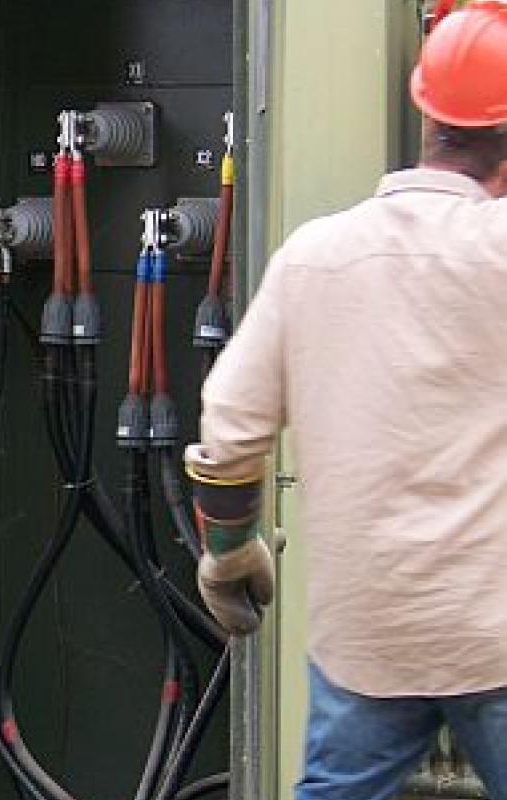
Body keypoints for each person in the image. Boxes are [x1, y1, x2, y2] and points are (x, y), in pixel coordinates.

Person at [183, 3, 507, 799]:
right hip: (494, 633)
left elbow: (229, 433)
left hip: (370, 631)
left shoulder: (315, 258)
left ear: (425, 113)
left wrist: (230, 556)